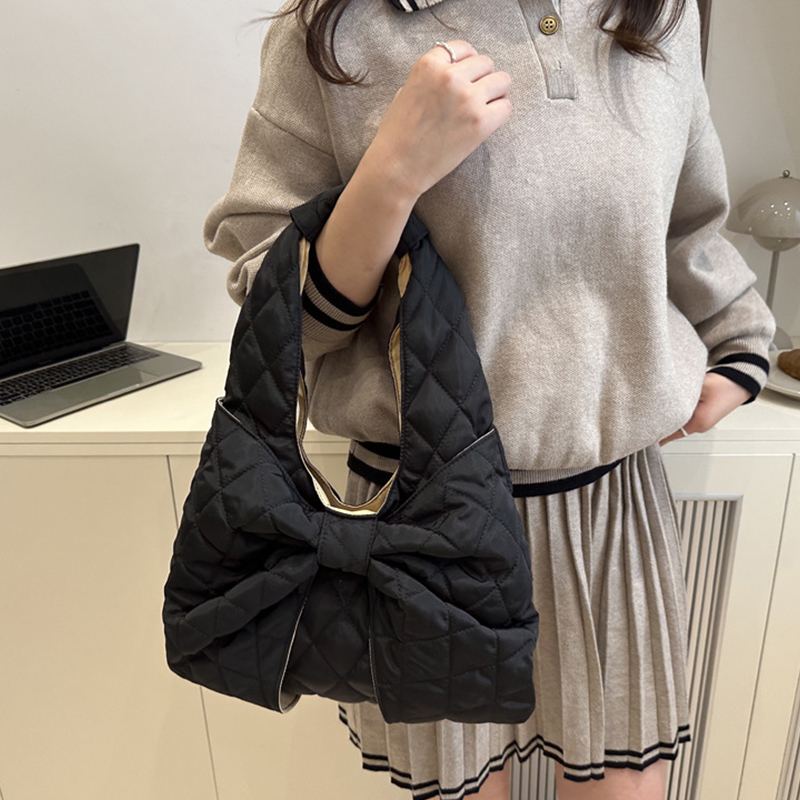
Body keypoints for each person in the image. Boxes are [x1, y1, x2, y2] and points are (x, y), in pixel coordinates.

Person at [203, 0, 776, 797]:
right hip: (420, 523)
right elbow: (277, 314)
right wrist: (392, 171)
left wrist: (740, 344)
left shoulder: (657, 14)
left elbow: (689, 223)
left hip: (610, 511)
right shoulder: (334, 33)